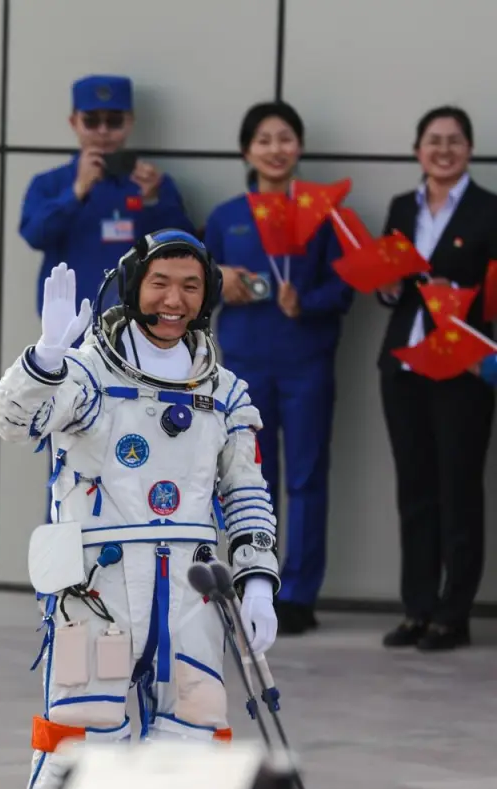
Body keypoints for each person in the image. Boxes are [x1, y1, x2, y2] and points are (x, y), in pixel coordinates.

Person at [0, 233, 280, 789]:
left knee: (192, 754)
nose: (174, 300)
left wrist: (256, 582)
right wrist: (45, 358)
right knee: (78, 750)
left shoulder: (224, 393)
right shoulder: (88, 375)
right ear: (133, 287)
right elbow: (15, 423)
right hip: (94, 599)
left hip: (192, 602)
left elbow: (247, 494)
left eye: (190, 286)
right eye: (160, 284)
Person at [204, 102, 355, 635]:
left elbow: (346, 285)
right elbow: (194, 285)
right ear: (247, 150)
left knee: (309, 477)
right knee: (249, 481)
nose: (275, 148)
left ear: (300, 146)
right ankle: (252, 583)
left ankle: (299, 593)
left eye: (285, 137)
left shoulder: (325, 214)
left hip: (307, 361)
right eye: (263, 139)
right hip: (245, 367)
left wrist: (306, 302)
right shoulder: (226, 217)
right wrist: (221, 275)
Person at [376, 106, 497, 652]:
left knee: (459, 488)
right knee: (415, 490)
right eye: (433, 140)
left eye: (454, 141)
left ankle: (454, 613)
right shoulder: (403, 206)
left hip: (461, 366)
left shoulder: (490, 210)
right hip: (403, 364)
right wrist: (388, 288)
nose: (443, 150)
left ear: (469, 149)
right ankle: (417, 608)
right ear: (418, 149)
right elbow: (387, 287)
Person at [21, 75, 195, 315]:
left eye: (114, 121)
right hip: (70, 322)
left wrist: (154, 201)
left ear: (130, 122)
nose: (103, 131)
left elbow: (183, 248)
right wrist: (77, 192)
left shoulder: (152, 183)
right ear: (74, 123)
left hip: (139, 321)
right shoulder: (50, 184)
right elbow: (34, 236)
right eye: (91, 121)